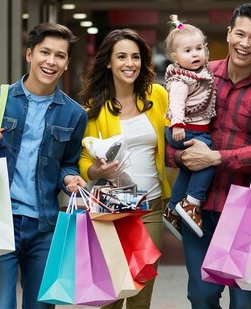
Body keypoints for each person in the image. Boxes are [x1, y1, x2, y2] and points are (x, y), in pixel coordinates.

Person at [0, 22, 88, 309]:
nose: (51, 61)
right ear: (29, 54)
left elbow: (67, 164)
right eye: (45, 52)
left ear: (67, 64)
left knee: (42, 306)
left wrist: (71, 179)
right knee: (0, 305)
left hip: (45, 227)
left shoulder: (74, 114)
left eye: (60, 56)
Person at [167, 3, 251, 309]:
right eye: (240, 34)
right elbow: (173, 135)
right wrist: (183, 157)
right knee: (202, 296)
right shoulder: (201, 74)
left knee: (244, 300)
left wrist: (215, 158)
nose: (245, 44)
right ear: (229, 33)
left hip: (243, 206)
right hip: (198, 206)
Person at [78, 28, 171, 309]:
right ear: (108, 62)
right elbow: (83, 161)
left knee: (141, 294)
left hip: (150, 208)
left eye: (135, 57)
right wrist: (97, 172)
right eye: (121, 57)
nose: (129, 63)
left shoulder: (158, 95)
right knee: (111, 294)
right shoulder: (94, 107)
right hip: (112, 208)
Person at [162, 14, 217, 240]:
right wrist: (177, 123)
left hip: (192, 129)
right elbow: (175, 102)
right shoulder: (181, 78)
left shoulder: (201, 74)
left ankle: (173, 208)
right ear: (176, 57)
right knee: (208, 159)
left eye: (198, 48)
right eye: (187, 51)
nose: (195, 54)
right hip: (184, 130)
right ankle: (192, 202)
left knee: (188, 167)